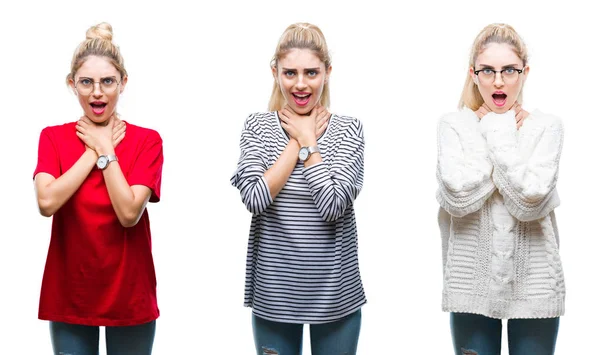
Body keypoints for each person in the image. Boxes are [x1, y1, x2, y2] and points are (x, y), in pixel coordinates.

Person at [231, 22, 366, 355]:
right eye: (290, 73)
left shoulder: (349, 130)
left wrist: (309, 142)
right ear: (275, 72)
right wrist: (298, 141)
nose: (301, 84)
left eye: (311, 73)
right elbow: (254, 198)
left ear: (327, 72)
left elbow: (332, 207)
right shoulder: (257, 127)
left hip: (335, 295)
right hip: (274, 295)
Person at [33, 22, 163, 355]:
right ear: (71, 84)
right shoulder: (53, 137)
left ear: (123, 83)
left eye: (107, 82)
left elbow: (129, 212)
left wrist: (107, 153)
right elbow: (46, 202)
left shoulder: (147, 141)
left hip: (129, 293)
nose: (97, 93)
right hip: (70, 293)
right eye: (86, 82)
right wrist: (94, 150)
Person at [436, 23, 566, 355]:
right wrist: (497, 126)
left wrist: (496, 127)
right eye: (488, 70)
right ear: (473, 74)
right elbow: (458, 198)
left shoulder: (545, 127)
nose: (498, 81)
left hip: (535, 288)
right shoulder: (453, 125)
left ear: (524, 73)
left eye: (509, 70)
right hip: (470, 287)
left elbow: (529, 202)